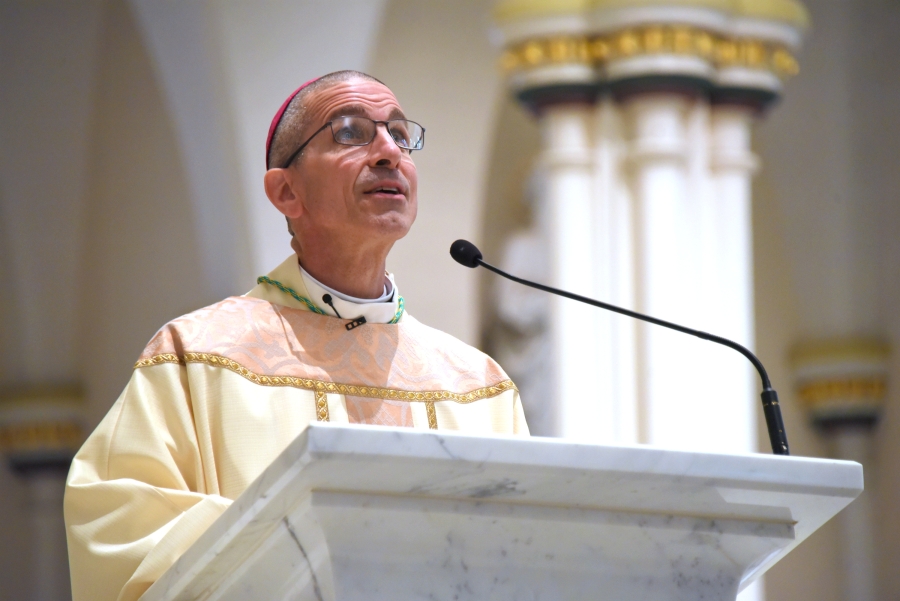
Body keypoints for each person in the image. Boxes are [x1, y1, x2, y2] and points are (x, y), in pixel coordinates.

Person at [63, 70, 529, 601]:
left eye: (401, 135)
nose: (388, 151)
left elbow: (528, 551)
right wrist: (323, 540)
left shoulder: (478, 385)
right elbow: (119, 528)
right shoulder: (197, 357)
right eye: (351, 132)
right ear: (287, 192)